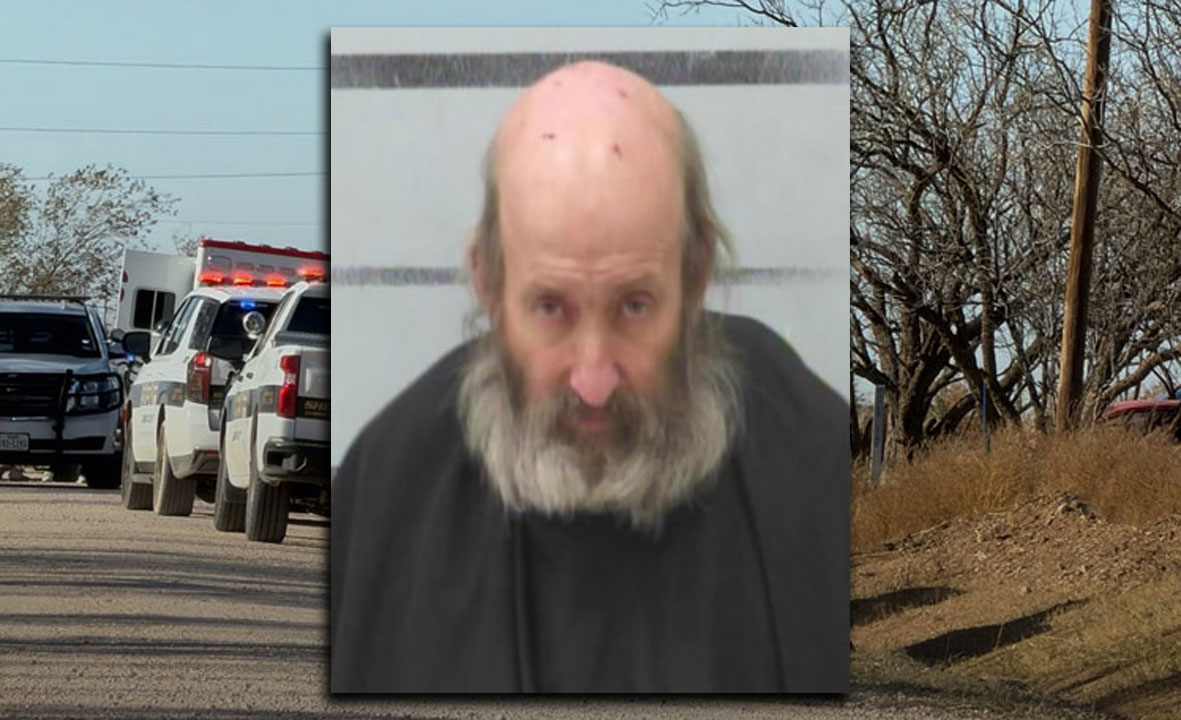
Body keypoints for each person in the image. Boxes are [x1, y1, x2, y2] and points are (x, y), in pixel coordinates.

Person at [331, 60, 849, 693]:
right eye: (551, 309)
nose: (594, 380)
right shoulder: (390, 484)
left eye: (635, 306)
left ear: (695, 273)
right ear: (488, 281)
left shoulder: (807, 454)